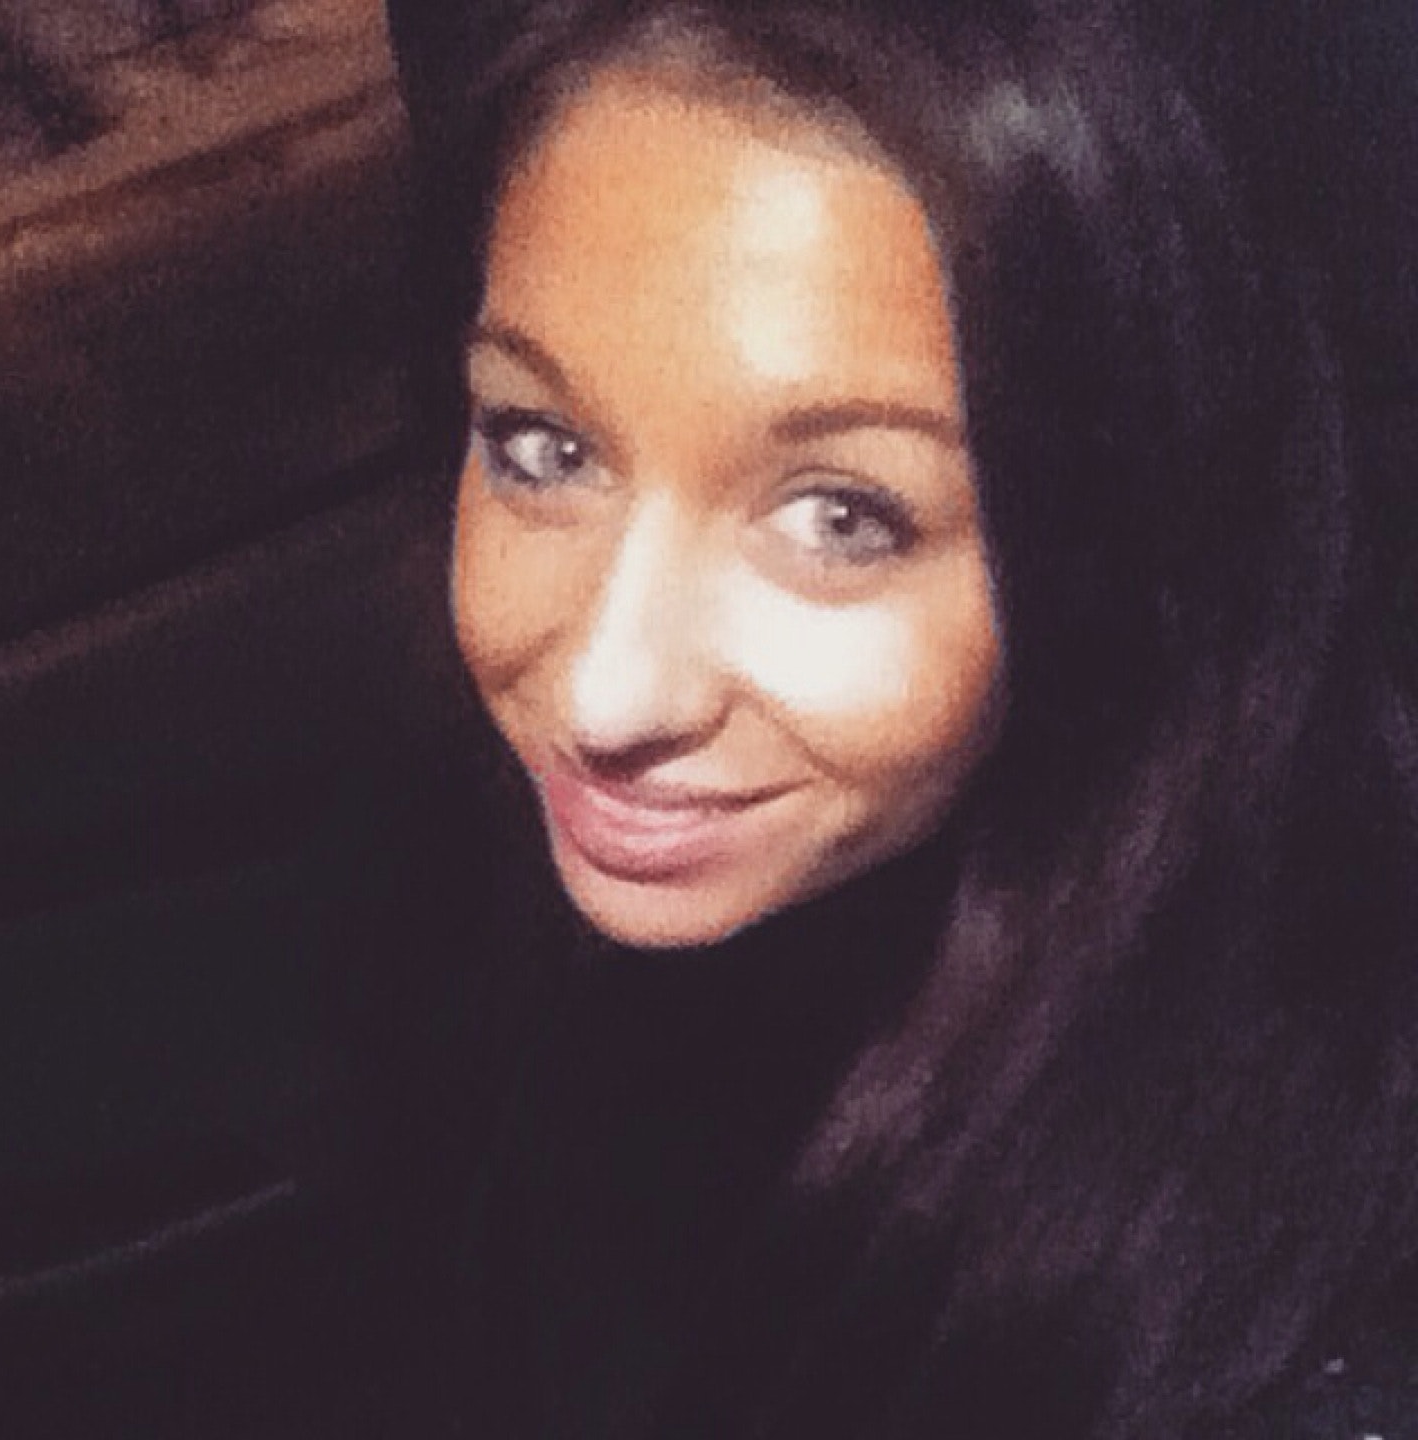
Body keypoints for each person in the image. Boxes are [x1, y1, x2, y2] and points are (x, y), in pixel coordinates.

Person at [366, 0, 1418, 1435]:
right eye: (543, 447)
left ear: (1116, 546)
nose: (605, 696)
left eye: (841, 517)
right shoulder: (491, 895)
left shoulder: (1306, 1332)